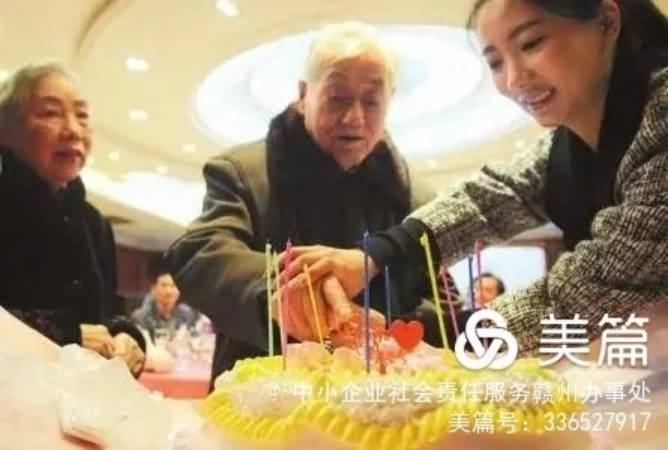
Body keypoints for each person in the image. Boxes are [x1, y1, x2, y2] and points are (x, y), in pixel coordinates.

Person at [280, 0, 668, 355]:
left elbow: (593, 288)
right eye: (495, 63)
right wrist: (373, 256)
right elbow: (494, 197)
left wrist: (417, 338)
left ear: (607, 21)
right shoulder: (570, 142)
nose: (514, 79)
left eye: (531, 43)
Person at [166, 21, 455, 382]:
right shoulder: (243, 172)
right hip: (263, 393)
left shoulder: (412, 195)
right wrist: (293, 291)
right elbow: (201, 254)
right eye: (338, 98)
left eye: (371, 101)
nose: (355, 118)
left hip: (383, 395)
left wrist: (391, 326)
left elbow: (442, 302)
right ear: (304, 94)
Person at [0, 62, 145, 376]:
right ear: (6, 130)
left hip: (82, 399)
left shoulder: (94, 223)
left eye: (82, 116)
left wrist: (127, 337)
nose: (73, 130)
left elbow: (111, 310)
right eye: (51, 113)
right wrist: (68, 336)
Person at [131, 271, 196, 339]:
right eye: (164, 285)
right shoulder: (140, 318)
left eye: (173, 285)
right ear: (153, 289)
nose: (169, 291)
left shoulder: (188, 315)